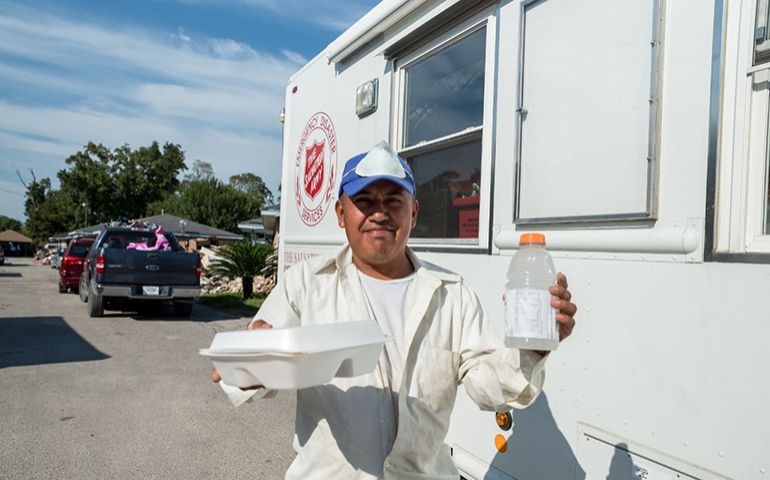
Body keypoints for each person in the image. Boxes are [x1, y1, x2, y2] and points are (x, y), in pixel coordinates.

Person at [212, 142, 577, 479]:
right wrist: (248, 359)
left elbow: (489, 389)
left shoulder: (451, 294)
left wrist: (532, 350)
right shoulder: (306, 284)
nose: (379, 213)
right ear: (341, 213)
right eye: (364, 200)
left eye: (393, 201)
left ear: (413, 212)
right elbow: (257, 369)